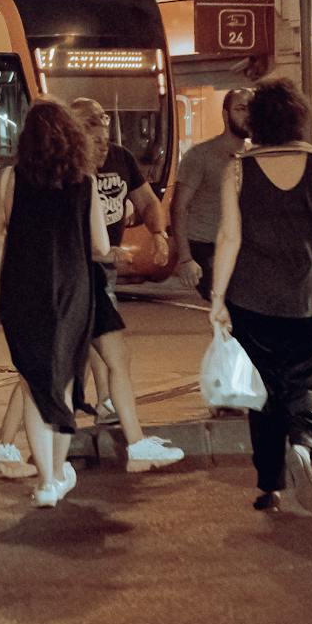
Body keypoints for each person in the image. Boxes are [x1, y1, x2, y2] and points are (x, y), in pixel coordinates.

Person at [211, 75, 312, 514]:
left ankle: (269, 486)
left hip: (252, 299)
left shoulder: (238, 168)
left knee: (264, 392)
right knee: (306, 378)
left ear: (256, 120)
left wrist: (217, 298)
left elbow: (229, 238)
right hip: (309, 297)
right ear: (298, 117)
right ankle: (305, 439)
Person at [0, 101, 104, 506]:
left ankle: (44, 483)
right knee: (64, 380)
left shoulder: (10, 179)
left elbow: (3, 235)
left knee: (32, 381)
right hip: (72, 288)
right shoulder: (85, 182)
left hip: (22, 289)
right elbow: (100, 245)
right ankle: (57, 474)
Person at [70, 99, 185, 472]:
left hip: (101, 269)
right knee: (97, 347)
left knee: (100, 346)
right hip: (81, 270)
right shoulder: (71, 172)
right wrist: (105, 252)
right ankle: (108, 419)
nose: (105, 147)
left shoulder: (120, 160)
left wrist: (159, 234)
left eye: (106, 139)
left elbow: (148, 201)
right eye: (97, 140)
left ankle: (100, 410)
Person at [0, 162, 37, 481]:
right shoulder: (67, 174)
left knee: (29, 372)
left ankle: (8, 445)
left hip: (17, 290)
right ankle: (47, 456)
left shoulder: (9, 177)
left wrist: (8, 270)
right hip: (56, 289)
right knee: (43, 372)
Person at [171, 89, 252, 300]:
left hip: (242, 246)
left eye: (251, 109)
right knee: (231, 304)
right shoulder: (200, 156)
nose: (248, 115)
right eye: (241, 109)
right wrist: (186, 258)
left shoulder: (255, 156)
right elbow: (179, 206)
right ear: (225, 114)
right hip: (207, 245)